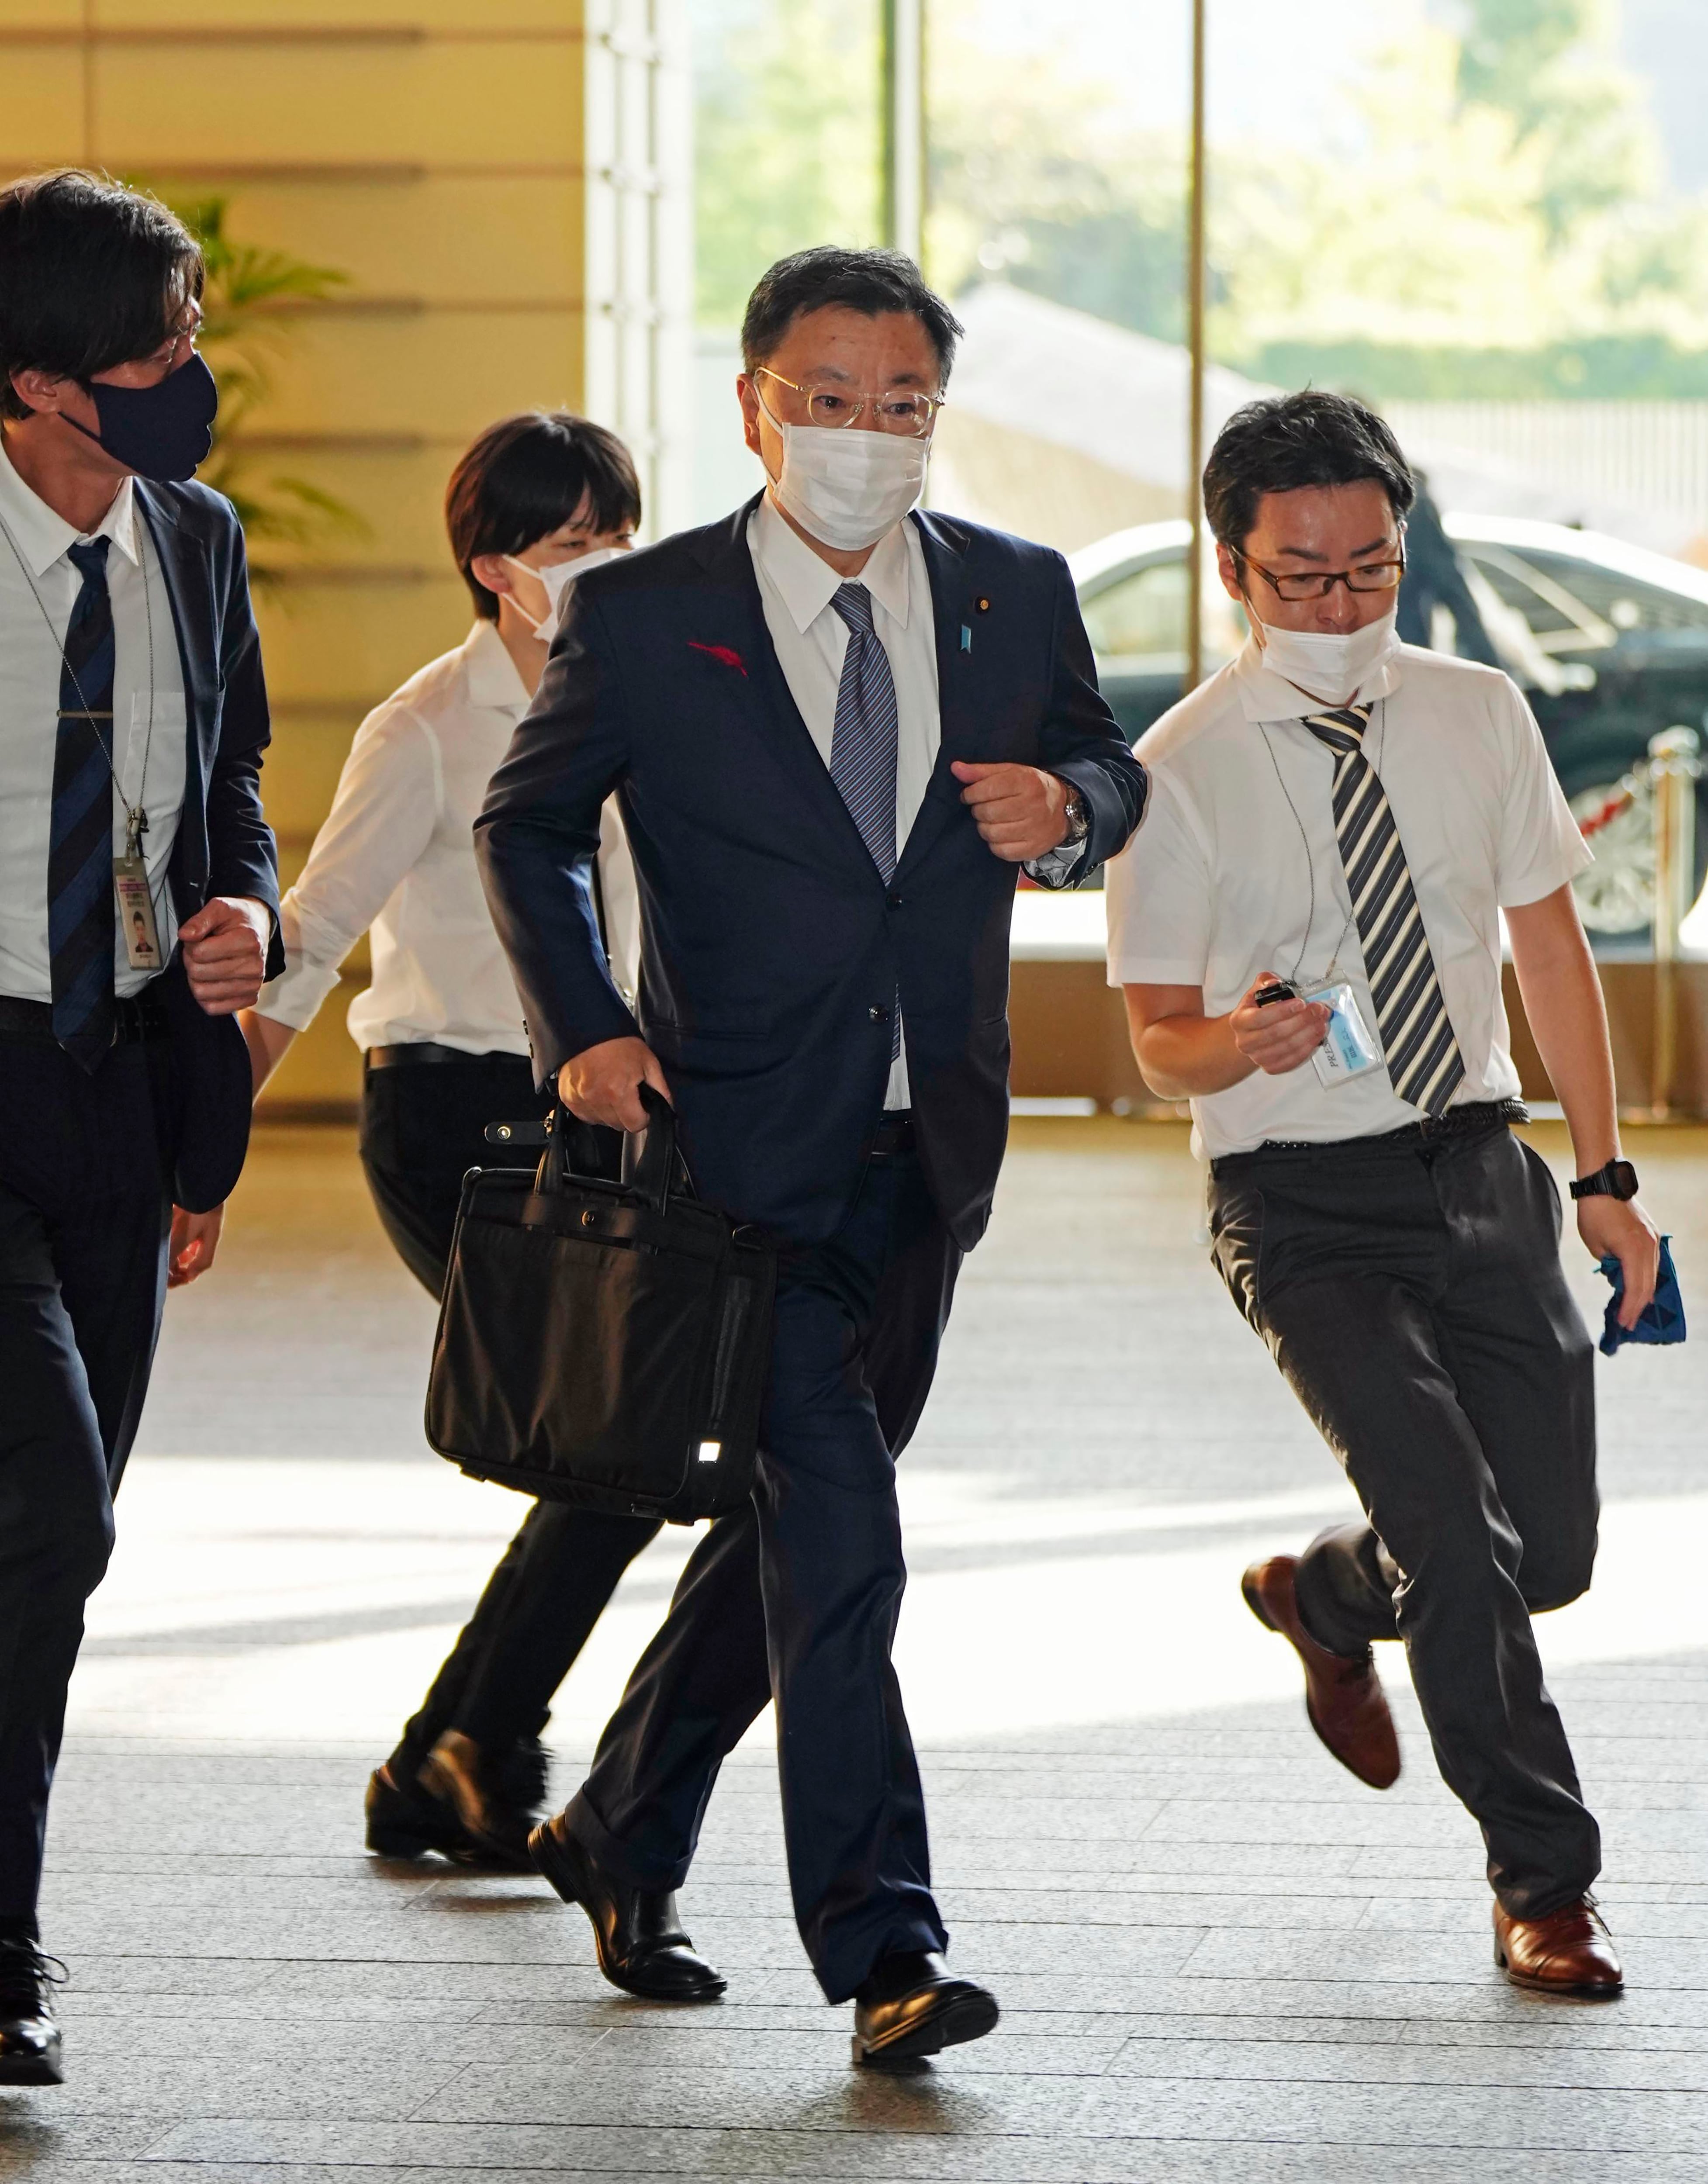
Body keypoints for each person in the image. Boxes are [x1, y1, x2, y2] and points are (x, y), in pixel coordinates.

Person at [475, 245, 1146, 2067]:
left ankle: (620, 1817)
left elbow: (1104, 761)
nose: (868, 436)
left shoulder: (1015, 591)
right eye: (831, 402)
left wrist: (1074, 807)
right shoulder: (641, 609)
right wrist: (585, 1022)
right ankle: (886, 1945)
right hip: (733, 1150)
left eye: (905, 405)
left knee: (782, 1546)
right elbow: (526, 823)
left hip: (928, 1148)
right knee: (843, 1545)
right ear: (760, 399)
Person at [1107, 389, 1660, 2000]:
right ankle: (1545, 1886)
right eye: (1301, 576)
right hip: (1299, 1202)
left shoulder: (1480, 713)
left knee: (1543, 1550)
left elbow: (1548, 948)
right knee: (1469, 1553)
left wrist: (1606, 1182)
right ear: (1233, 568)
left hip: (1480, 1170)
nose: (1339, 605)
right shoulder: (1181, 769)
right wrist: (1236, 1039)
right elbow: (1153, 1046)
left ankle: (1326, 1594)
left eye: (1370, 570)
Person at [238, 410, 658, 1867]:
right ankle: (473, 1742)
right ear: (495, 567)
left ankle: (447, 1755)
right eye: (571, 547)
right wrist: (193, 1146)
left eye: (621, 536)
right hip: (453, 1121)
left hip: (609, 1116)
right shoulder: (426, 724)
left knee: (622, 1437)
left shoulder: (654, 699)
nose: (606, 566)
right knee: (613, 1436)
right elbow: (309, 940)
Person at [0, 169, 281, 2084]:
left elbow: (233, 775)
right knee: (51, 1498)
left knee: (52, 1541)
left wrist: (246, 911)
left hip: (122, 1081)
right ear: (35, 381)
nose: (191, 371)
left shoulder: (194, 533)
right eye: (153, 348)